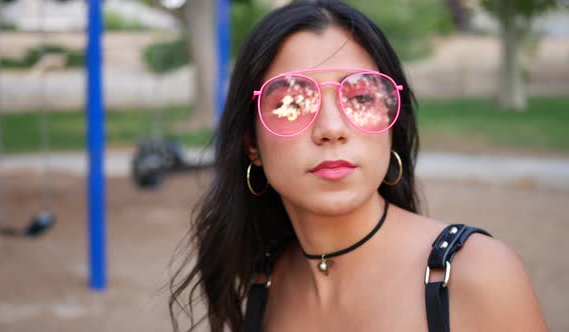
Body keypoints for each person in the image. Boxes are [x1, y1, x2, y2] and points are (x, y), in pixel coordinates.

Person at [169, 1, 547, 331]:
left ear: (391, 126)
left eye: (361, 96)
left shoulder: (475, 274)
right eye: (293, 102)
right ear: (252, 145)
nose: (331, 129)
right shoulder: (264, 283)